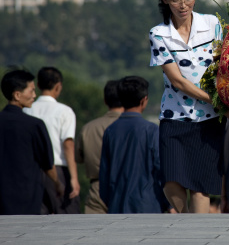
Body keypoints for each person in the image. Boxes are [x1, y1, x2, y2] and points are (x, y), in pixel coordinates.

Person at [149, 0, 229, 214]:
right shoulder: (159, 34)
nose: (183, 5)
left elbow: (224, 65)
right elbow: (177, 81)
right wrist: (216, 101)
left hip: (209, 120)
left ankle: (200, 234)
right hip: (175, 117)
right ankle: (182, 221)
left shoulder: (212, 23)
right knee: (172, 179)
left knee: (201, 186)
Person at [99, 76, 168, 213]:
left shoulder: (110, 131)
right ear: (144, 101)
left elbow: (104, 173)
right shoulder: (151, 130)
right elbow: (161, 169)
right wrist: (167, 203)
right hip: (148, 205)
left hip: (116, 205)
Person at [0, 69, 62, 215]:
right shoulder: (34, 125)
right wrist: (58, 184)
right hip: (26, 193)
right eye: (31, 91)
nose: (34, 96)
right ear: (17, 95)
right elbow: (47, 164)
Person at [24, 67, 80, 214]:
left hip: (33, 170)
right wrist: (74, 178)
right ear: (58, 86)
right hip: (58, 169)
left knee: (37, 215)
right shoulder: (64, 111)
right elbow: (68, 145)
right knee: (68, 214)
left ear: (38, 85)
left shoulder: (27, 109)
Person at [75, 80, 124, 214]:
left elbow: (78, 158)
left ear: (105, 100)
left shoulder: (88, 128)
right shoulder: (135, 128)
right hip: (126, 188)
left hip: (96, 188)